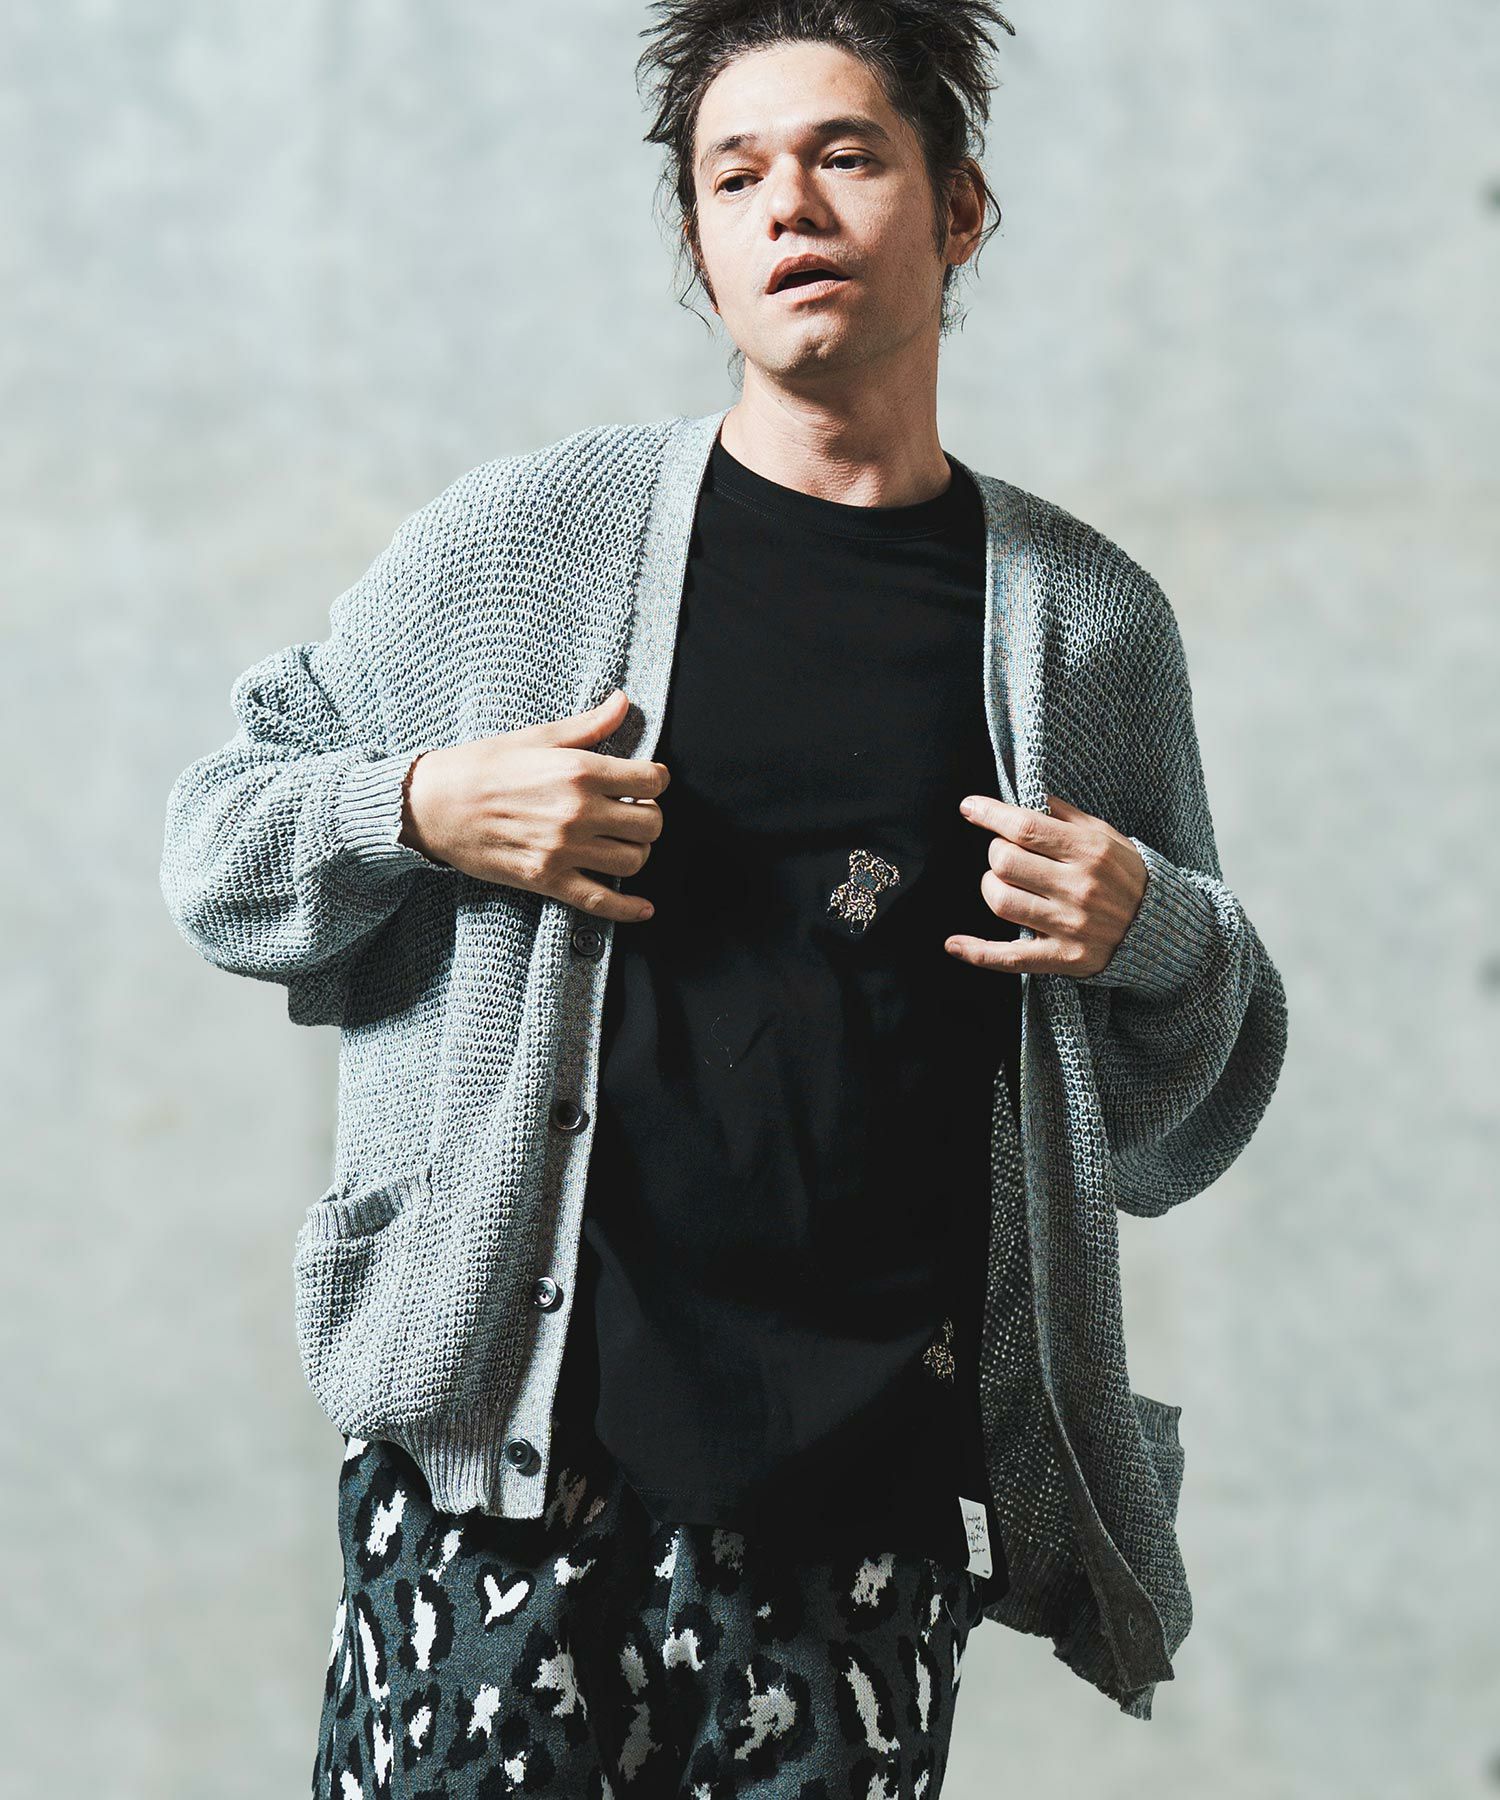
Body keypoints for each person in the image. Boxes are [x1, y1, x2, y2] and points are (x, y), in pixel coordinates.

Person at [160, 2, 1288, 1792]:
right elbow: (219, 847)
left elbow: (1175, 1119)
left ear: (960, 205)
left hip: (869, 1513)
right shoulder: (531, 543)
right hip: (508, 1472)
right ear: (698, 242)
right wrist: (426, 804)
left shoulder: (1084, 627)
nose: (790, 209)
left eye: (845, 156)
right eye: (734, 176)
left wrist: (1147, 926)